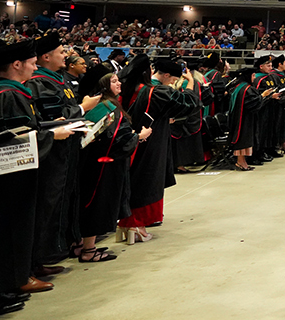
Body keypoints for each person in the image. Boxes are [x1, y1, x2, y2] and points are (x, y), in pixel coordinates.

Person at [0, 40, 84, 315]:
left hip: (8, 178)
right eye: (31, 62)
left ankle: (6, 285)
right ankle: (6, 284)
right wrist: (52, 135)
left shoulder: (8, 91)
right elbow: (11, 139)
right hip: (7, 179)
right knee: (7, 232)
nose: (35, 66)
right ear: (16, 65)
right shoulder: (7, 95)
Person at [26, 31, 99, 276]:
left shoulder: (57, 79)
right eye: (60, 52)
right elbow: (52, 118)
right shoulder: (40, 81)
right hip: (52, 154)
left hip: (66, 152)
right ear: (45, 57)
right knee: (48, 205)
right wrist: (83, 107)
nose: (65, 55)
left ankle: (50, 253)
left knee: (61, 203)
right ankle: (36, 261)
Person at [117, 56, 201, 244]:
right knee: (146, 179)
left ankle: (126, 223)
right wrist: (191, 82)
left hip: (134, 138)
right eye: (173, 79)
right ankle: (136, 225)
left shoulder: (134, 87)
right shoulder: (155, 91)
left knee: (135, 178)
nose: (173, 83)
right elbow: (187, 103)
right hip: (150, 141)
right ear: (167, 75)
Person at [76, 69, 139, 263]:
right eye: (113, 81)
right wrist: (139, 137)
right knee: (97, 203)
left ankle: (80, 245)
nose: (119, 84)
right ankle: (89, 250)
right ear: (104, 86)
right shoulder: (107, 107)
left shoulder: (102, 105)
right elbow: (118, 140)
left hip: (92, 162)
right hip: (103, 165)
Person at [226, 66, 265, 171]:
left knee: (244, 139)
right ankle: (240, 162)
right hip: (243, 120)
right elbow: (253, 103)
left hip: (240, 118)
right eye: (253, 75)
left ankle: (242, 161)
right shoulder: (246, 89)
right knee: (243, 139)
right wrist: (263, 96)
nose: (254, 78)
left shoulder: (239, 87)